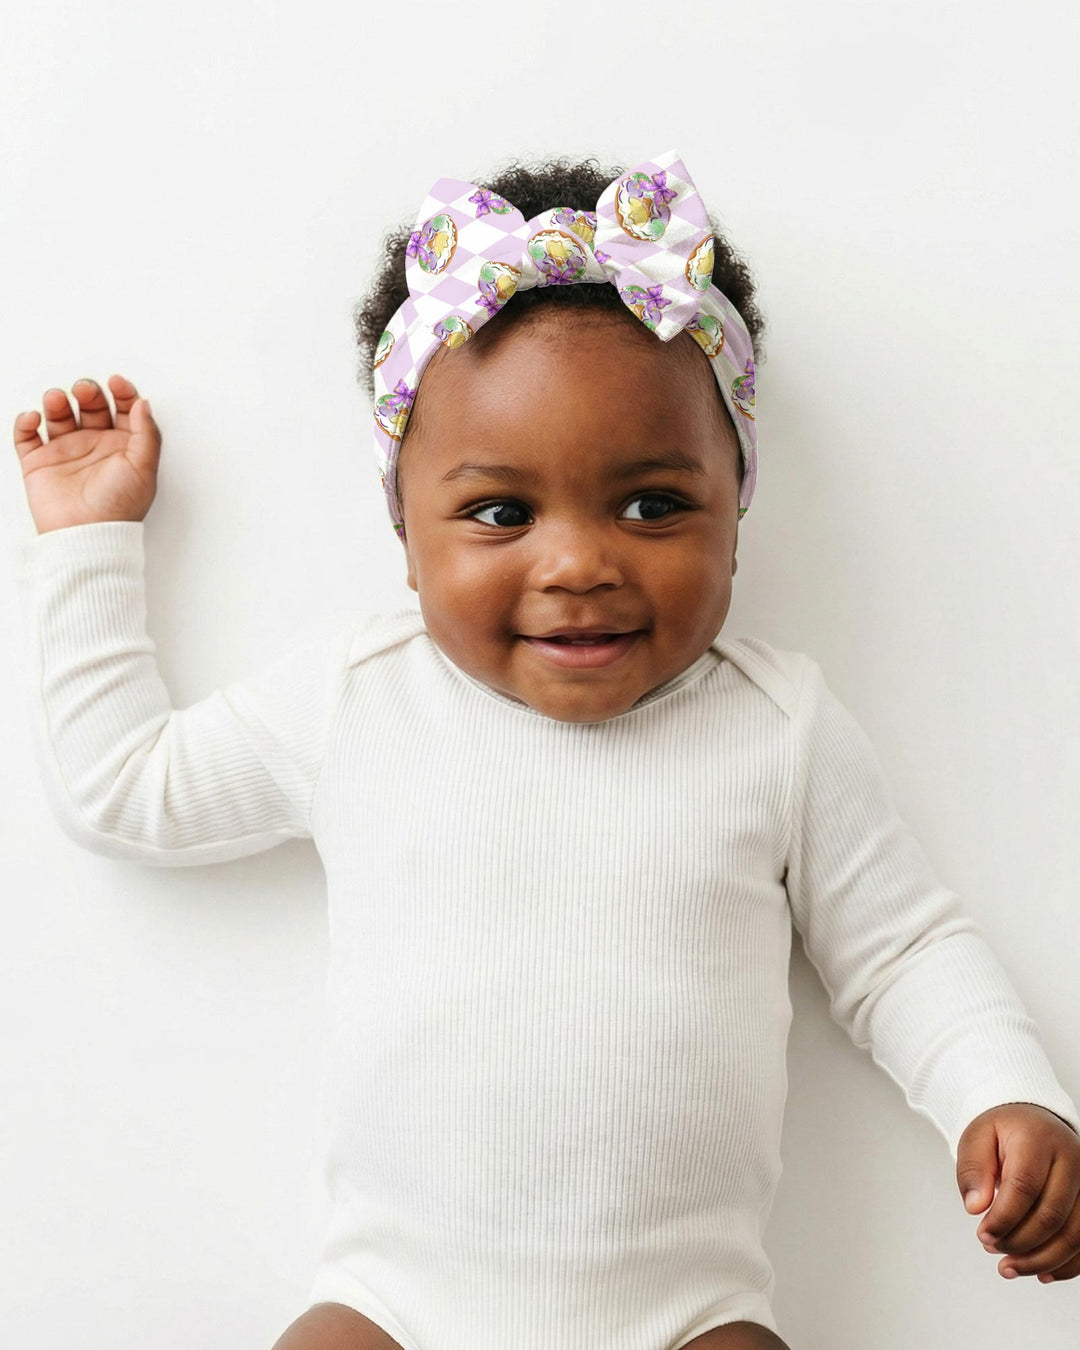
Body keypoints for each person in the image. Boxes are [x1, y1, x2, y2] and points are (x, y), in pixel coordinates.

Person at [9, 149, 1080, 1350]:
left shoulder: (776, 727)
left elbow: (904, 950)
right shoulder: (359, 701)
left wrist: (1006, 1093)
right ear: (405, 534)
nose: (578, 565)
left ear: (740, 508)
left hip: (686, 1316)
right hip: (396, 1306)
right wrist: (89, 545)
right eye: (501, 514)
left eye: (653, 505)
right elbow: (124, 791)